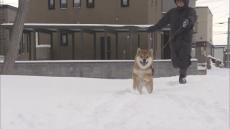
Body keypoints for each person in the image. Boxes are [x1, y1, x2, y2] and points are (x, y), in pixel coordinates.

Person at [147, 0, 197, 84]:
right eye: (178, 1)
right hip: (174, 38)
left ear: (185, 2)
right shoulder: (172, 12)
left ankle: (182, 76)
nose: (179, 3)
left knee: (184, 57)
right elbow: (163, 21)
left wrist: (188, 21)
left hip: (185, 39)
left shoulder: (190, 11)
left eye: (181, 1)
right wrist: (154, 28)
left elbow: (193, 18)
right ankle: (181, 70)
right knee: (175, 60)